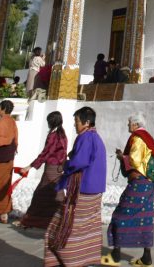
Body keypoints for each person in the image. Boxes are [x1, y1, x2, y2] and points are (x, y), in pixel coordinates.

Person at [45, 106, 106, 267]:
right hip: (95, 188)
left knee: (64, 224)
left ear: (86, 122)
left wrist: (67, 164)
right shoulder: (95, 137)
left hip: (83, 188)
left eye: (77, 121)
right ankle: (88, 259)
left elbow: (81, 161)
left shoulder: (85, 137)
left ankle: (70, 259)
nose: (74, 125)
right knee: (89, 226)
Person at [106, 112, 154, 266]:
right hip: (148, 184)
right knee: (145, 216)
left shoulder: (137, 138)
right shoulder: (147, 137)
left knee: (120, 215)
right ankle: (146, 257)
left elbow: (134, 160)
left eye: (129, 123)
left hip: (138, 183)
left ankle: (115, 255)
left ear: (135, 124)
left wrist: (122, 158)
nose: (128, 125)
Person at [15, 110, 68, 229]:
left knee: (41, 194)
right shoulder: (62, 134)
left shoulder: (54, 135)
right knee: (54, 194)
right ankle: (58, 220)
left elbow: (46, 153)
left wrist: (30, 166)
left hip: (51, 169)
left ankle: (31, 220)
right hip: (59, 168)